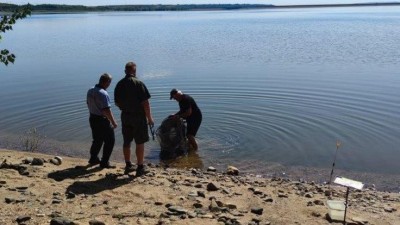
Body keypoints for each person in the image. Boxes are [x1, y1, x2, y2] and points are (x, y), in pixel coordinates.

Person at [114, 62, 154, 176]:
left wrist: (125, 107)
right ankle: (140, 167)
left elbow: (116, 102)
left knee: (127, 141)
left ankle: (128, 165)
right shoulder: (138, 83)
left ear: (125, 71)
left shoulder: (119, 84)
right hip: (138, 116)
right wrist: (150, 118)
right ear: (134, 71)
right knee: (140, 141)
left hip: (125, 116)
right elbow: (145, 103)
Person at [86, 73, 118, 169]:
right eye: (109, 82)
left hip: (92, 118)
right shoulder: (103, 93)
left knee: (97, 139)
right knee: (110, 141)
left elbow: (87, 103)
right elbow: (106, 110)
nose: (109, 84)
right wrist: (113, 121)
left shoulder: (90, 90)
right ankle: (104, 162)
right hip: (102, 120)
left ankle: (93, 158)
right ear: (107, 82)